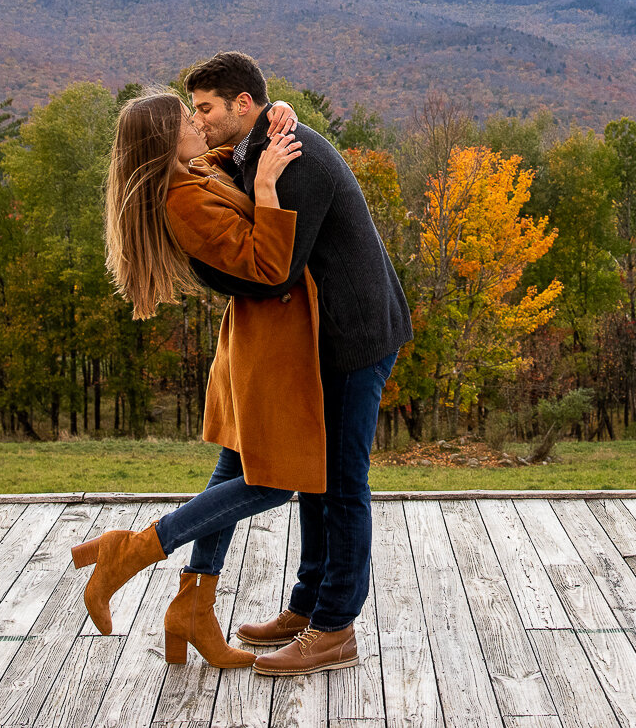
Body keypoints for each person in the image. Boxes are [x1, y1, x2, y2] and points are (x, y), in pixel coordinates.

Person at [70, 89, 322, 669]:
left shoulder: (192, 171)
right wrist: (264, 189)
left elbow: (231, 148)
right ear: (164, 140)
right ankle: (134, 550)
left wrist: (273, 110)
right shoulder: (181, 200)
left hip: (254, 343)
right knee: (277, 481)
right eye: (187, 118)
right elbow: (267, 266)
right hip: (266, 347)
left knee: (233, 469)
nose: (197, 121)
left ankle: (193, 607)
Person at [182, 51, 413, 679]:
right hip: (320, 342)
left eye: (206, 109)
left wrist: (202, 260)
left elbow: (272, 274)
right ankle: (307, 605)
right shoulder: (258, 148)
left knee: (340, 483)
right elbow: (213, 172)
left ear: (243, 105)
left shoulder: (289, 160)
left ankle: (335, 627)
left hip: (354, 340)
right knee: (314, 476)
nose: (198, 121)